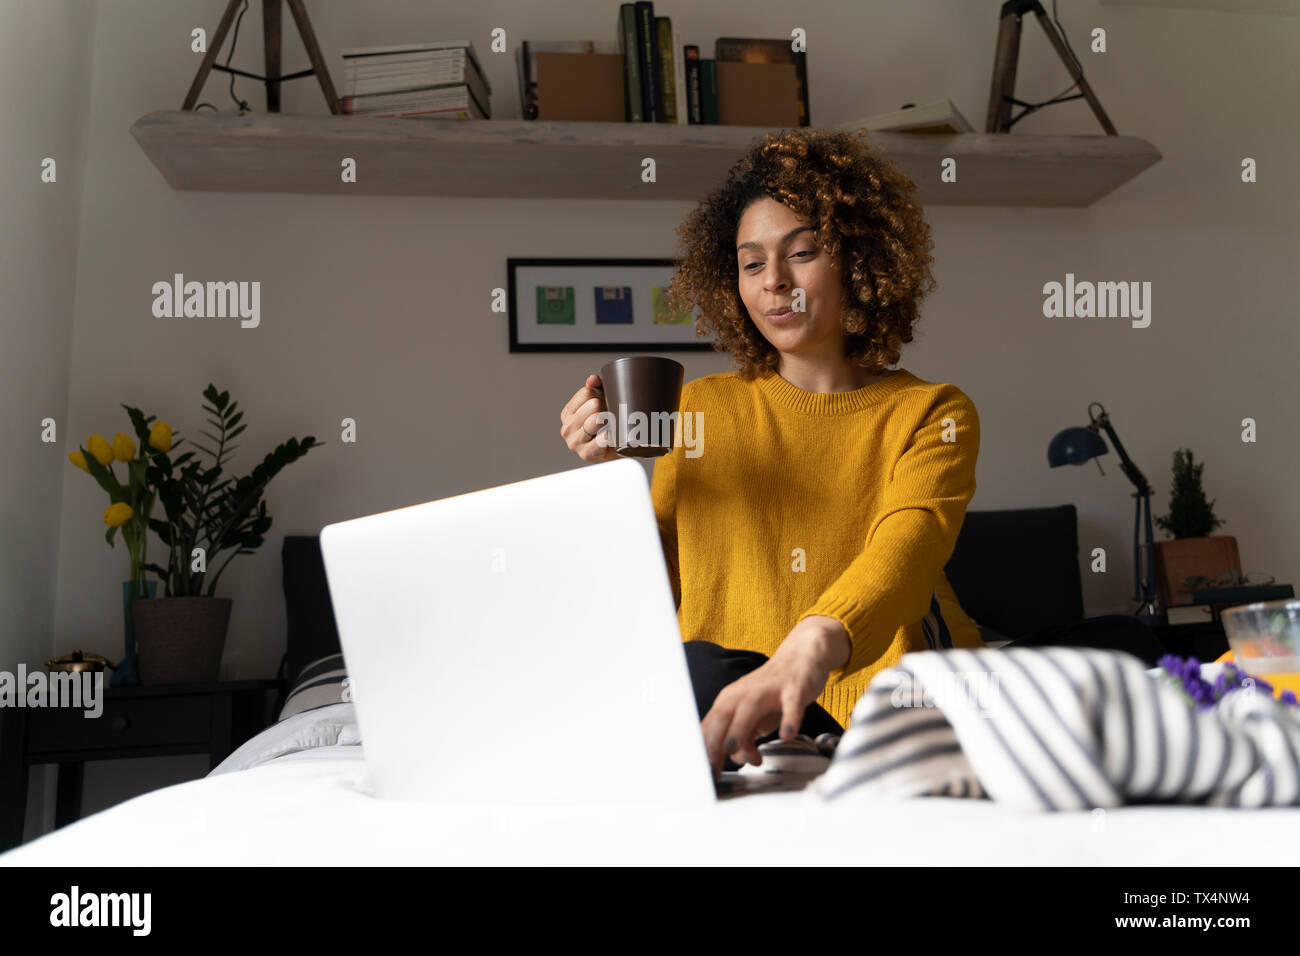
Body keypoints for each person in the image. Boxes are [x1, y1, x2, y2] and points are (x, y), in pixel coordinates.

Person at [559, 128, 985, 774]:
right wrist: (609, 480)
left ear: (861, 261)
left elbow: (904, 557)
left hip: (871, 719)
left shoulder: (933, 413)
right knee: (692, 670)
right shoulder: (698, 409)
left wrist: (806, 650)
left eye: (803, 252)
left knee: (697, 672)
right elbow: (653, 595)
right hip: (720, 705)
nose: (774, 282)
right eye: (752, 263)